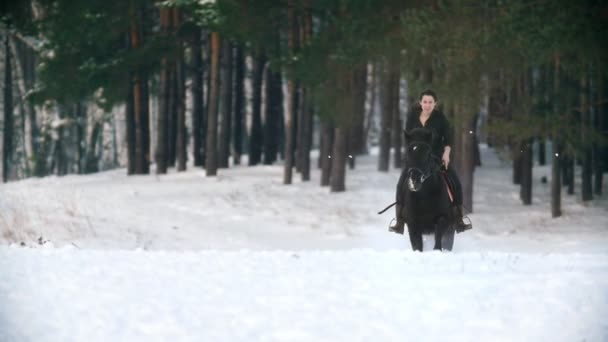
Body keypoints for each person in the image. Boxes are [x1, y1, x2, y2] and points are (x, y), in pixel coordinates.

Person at [393, 89, 472, 233]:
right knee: (400, 184)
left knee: (455, 182)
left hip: (436, 159)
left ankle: (458, 219)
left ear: (435, 103)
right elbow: (408, 138)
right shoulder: (412, 117)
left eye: (430, 102)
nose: (427, 105)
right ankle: (399, 221)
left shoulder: (440, 118)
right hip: (416, 161)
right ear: (420, 102)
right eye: (425, 102)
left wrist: (446, 154)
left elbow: (448, 139)